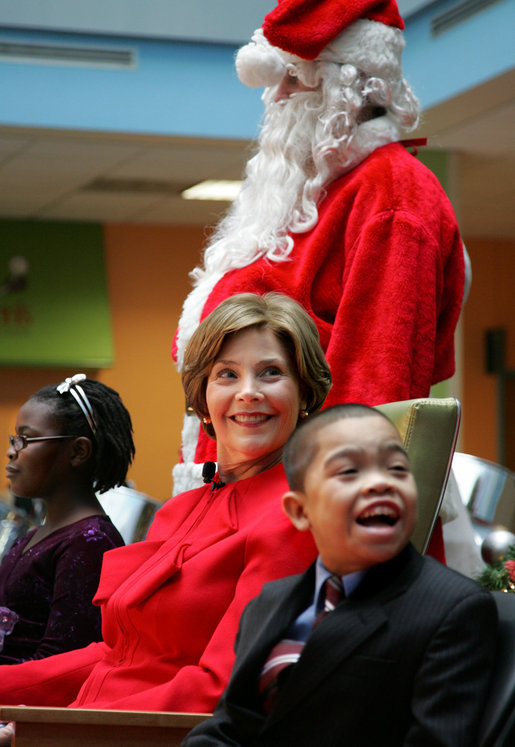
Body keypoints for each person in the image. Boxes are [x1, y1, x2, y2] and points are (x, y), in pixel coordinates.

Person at [0, 293, 331, 735]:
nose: (248, 391)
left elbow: (222, 690)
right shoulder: (180, 510)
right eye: (227, 374)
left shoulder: (296, 515)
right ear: (202, 396)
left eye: (271, 372)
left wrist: (54, 731)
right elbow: (114, 655)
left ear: (304, 391)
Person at [172, 0, 466, 497]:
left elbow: (376, 387)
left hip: (304, 507)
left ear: (349, 89)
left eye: (293, 80)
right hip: (246, 491)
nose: (277, 98)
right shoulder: (309, 193)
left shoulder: (393, 195)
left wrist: (321, 512)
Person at [184, 403, 497, 746]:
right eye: (349, 472)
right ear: (300, 511)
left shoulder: (452, 609)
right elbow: (232, 725)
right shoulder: (269, 601)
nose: (381, 484)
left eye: (397, 469)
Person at [0, 374, 132, 664]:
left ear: (78, 451)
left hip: (28, 706)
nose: (12, 451)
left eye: (27, 439)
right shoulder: (31, 536)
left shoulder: (90, 542)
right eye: (14, 439)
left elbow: (61, 664)